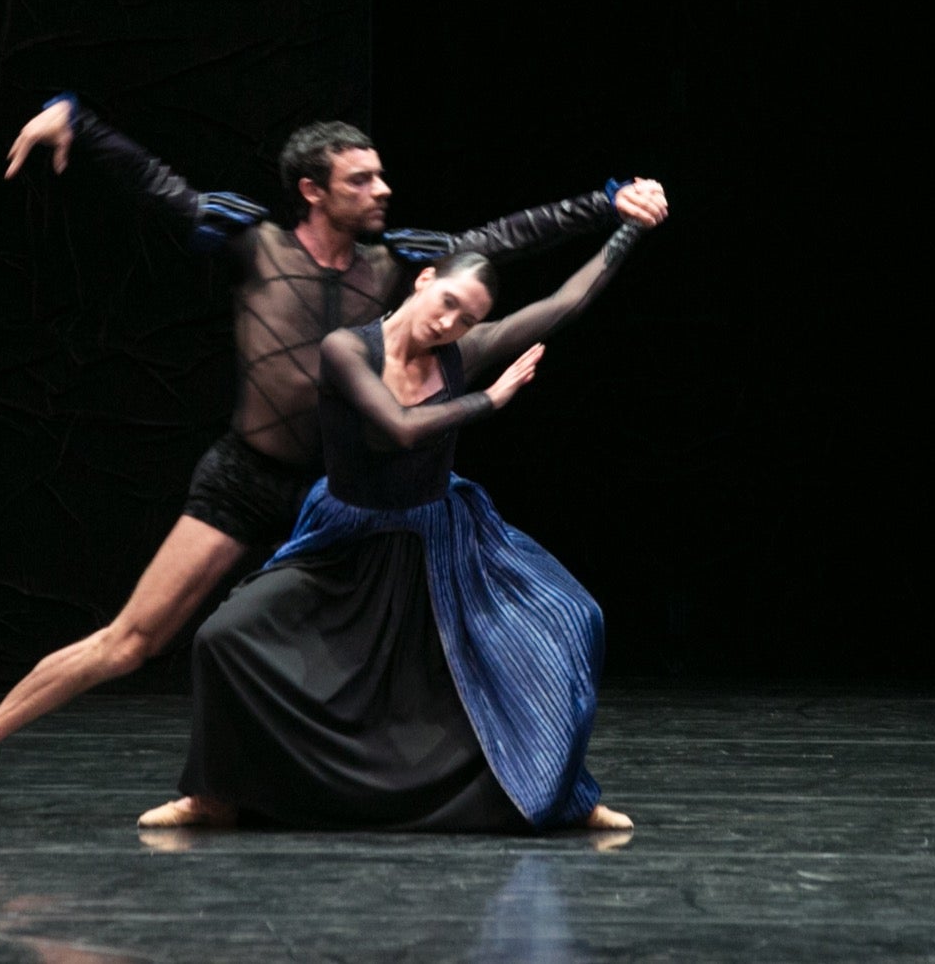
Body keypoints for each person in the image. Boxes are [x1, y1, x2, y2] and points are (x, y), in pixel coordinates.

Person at [0, 94, 668, 818]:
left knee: (425, 648)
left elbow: (505, 237)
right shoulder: (258, 247)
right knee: (134, 639)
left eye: (378, 175)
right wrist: (77, 121)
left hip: (349, 495)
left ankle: (522, 789)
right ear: (313, 191)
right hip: (250, 479)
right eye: (361, 180)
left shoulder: (396, 268)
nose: (382, 189)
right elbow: (160, 188)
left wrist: (609, 205)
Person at [137, 220, 653, 833]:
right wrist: (492, 399)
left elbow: (566, 301)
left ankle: (566, 794)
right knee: (222, 638)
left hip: (441, 538)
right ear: (425, 280)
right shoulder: (347, 349)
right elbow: (399, 427)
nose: (449, 324)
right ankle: (213, 796)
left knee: (570, 621)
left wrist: (627, 230)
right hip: (347, 537)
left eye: (467, 320)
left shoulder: (462, 354)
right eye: (449, 304)